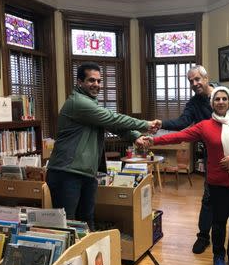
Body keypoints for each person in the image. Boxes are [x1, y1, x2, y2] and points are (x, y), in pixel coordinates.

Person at [146, 87, 229, 265]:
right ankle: (218, 255)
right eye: (217, 99)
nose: (221, 102)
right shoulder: (204, 125)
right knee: (219, 221)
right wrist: (153, 141)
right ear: (212, 103)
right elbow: (179, 135)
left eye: (224, 99)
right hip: (218, 182)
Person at [47, 62, 159, 231]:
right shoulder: (78, 103)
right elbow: (113, 119)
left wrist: (135, 136)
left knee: (87, 221)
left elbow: (111, 125)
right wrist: (146, 124)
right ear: (79, 82)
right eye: (92, 80)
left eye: (99, 81)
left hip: (86, 172)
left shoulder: (90, 103)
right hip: (67, 173)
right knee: (67, 226)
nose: (96, 85)